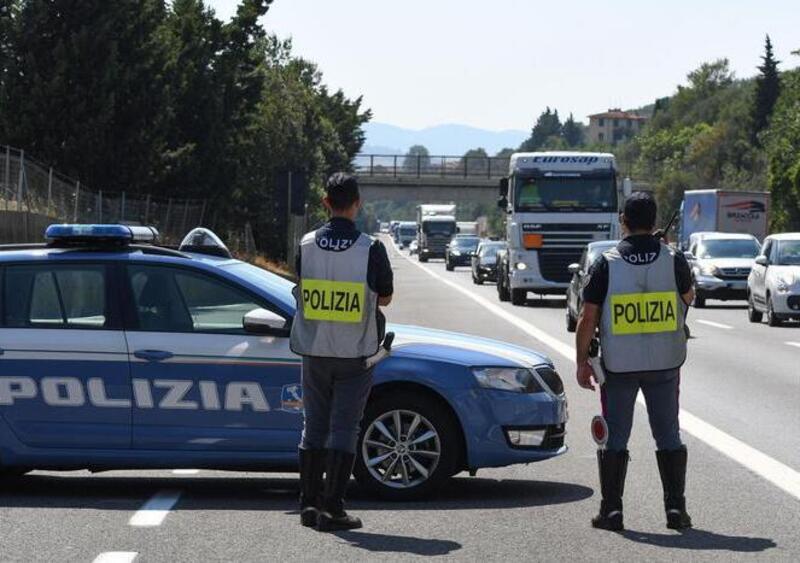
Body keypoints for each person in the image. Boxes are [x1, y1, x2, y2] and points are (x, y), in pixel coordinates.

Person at [575, 191, 694, 532]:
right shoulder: (673, 259)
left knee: (615, 438)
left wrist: (582, 361)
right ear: (654, 222)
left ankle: (611, 511)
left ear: (623, 222)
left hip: (619, 365)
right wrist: (666, 256)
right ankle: (676, 511)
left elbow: (588, 318)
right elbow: (688, 297)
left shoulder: (606, 262)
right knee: (668, 434)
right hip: (665, 363)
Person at [289, 172, 393, 532]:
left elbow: (301, 287)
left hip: (314, 348)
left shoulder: (305, 244)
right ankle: (333, 508)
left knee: (312, 425)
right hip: (355, 353)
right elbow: (385, 297)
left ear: (325, 203)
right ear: (358, 203)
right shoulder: (371, 248)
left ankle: (308, 505)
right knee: (344, 427)